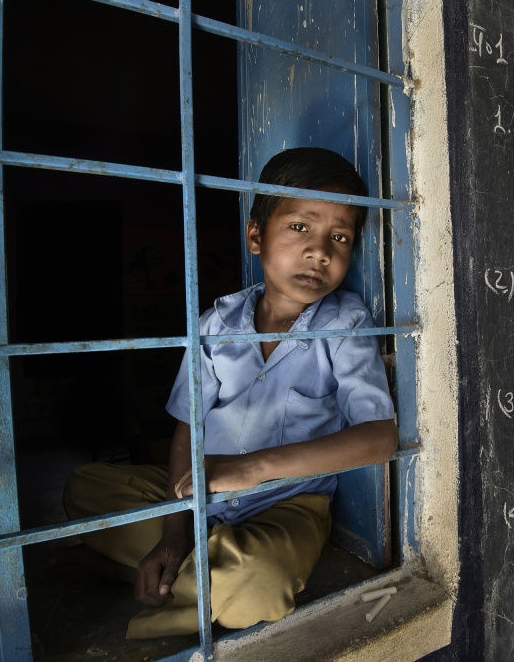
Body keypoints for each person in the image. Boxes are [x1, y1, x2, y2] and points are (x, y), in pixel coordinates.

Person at [63, 147, 398, 639]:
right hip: (201, 493)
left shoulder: (346, 324)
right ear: (256, 236)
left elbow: (380, 438)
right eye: (300, 227)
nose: (320, 252)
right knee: (84, 485)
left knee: (261, 582)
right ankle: (193, 567)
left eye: (340, 237)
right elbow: (188, 427)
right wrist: (176, 531)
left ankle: (138, 575)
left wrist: (252, 469)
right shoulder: (214, 326)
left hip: (288, 506)